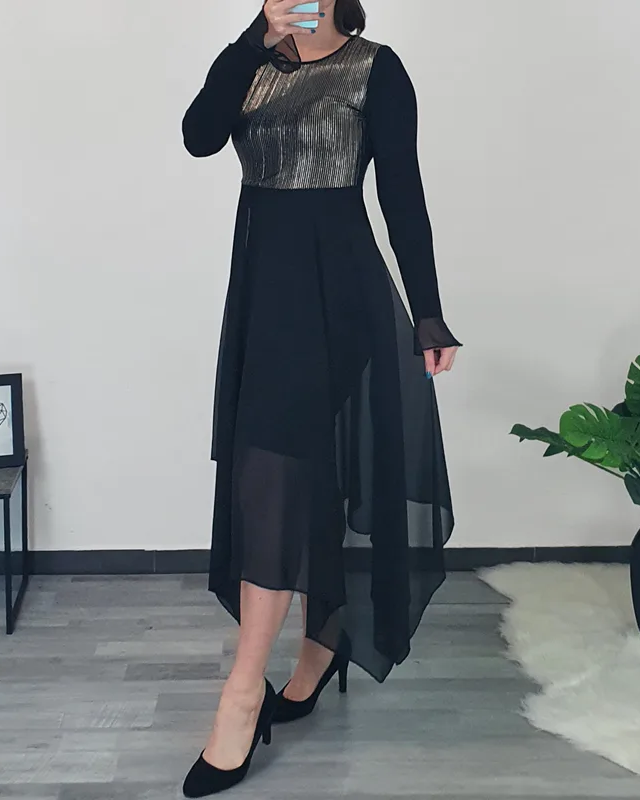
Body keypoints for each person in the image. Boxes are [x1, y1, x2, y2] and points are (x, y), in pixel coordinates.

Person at [180, 1, 461, 796]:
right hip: (263, 297)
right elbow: (199, 135)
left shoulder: (376, 68)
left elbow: (401, 193)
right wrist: (256, 38)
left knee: (273, 479)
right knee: (293, 474)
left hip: (338, 296)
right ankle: (320, 642)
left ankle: (243, 695)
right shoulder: (254, 61)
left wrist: (428, 310)